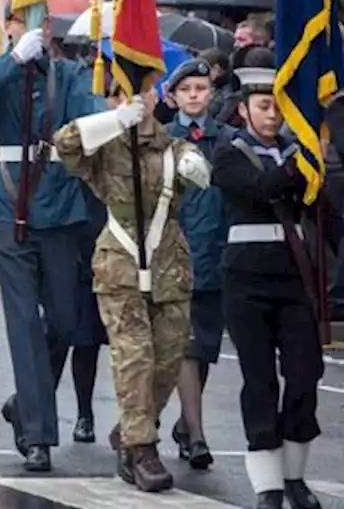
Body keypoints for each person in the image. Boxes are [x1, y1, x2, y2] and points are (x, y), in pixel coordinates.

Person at [0, 22, 102, 472]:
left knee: (63, 321)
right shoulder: (2, 71)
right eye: (19, 26)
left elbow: (91, 117)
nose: (30, 33)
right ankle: (38, 435)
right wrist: (13, 59)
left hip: (59, 205)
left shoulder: (69, 76)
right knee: (22, 322)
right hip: (8, 205)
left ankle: (25, 403)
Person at [54, 77, 209, 492]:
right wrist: (112, 120)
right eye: (125, 93)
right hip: (120, 264)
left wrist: (197, 167)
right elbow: (64, 144)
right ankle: (141, 449)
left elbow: (198, 168)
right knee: (134, 355)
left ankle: (130, 427)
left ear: (157, 96)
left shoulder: (174, 147)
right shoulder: (104, 149)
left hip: (169, 265)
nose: (137, 100)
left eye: (143, 91)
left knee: (169, 358)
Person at [210, 59, 325, 509]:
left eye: (279, 107)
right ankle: (268, 486)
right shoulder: (227, 151)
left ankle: (295, 476)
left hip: (293, 277)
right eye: (263, 106)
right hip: (245, 280)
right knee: (259, 380)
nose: (273, 115)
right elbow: (259, 189)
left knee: (304, 375)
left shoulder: (299, 152)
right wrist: (301, 166)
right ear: (244, 110)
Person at [162, 58, 230, 470]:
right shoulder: (164, 139)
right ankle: (198, 436)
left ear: (211, 93)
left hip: (217, 254)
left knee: (203, 348)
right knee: (186, 346)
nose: (194, 96)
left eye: (201, 89)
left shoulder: (226, 140)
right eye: (186, 90)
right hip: (176, 252)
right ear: (172, 96)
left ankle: (186, 424)